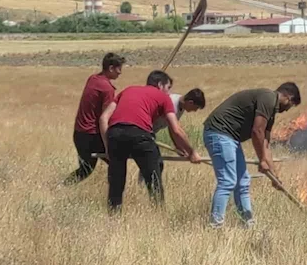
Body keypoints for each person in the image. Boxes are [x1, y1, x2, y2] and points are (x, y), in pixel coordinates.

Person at [99, 70, 202, 212]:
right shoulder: (163, 97)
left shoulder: (127, 90)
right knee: (154, 178)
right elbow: (176, 130)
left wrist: (107, 147)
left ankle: (113, 215)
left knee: (116, 181)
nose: (169, 92)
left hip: (114, 134)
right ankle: (158, 213)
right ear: (160, 84)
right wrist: (192, 152)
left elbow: (104, 118)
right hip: (140, 135)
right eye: (168, 87)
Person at [202, 82, 301, 228]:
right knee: (228, 181)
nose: (287, 110)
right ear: (288, 97)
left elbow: (265, 144)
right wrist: (261, 160)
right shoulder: (268, 98)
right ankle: (215, 225)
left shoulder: (271, 111)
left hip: (231, 138)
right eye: (290, 105)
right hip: (219, 132)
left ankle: (248, 223)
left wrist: (274, 176)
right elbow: (257, 132)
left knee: (243, 181)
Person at [63, 52, 125, 186]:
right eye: (119, 69)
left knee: (86, 169)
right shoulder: (107, 89)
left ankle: (62, 186)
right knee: (117, 161)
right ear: (111, 68)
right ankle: (115, 194)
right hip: (91, 135)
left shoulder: (93, 78)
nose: (120, 72)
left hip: (79, 133)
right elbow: (104, 119)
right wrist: (108, 146)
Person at [138, 88, 206, 185]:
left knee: (151, 161)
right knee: (154, 162)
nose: (194, 111)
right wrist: (191, 152)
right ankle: (144, 186)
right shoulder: (172, 102)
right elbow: (177, 130)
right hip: (143, 130)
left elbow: (172, 127)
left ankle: (143, 186)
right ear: (190, 102)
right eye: (195, 108)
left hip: (150, 133)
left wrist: (179, 147)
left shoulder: (180, 108)